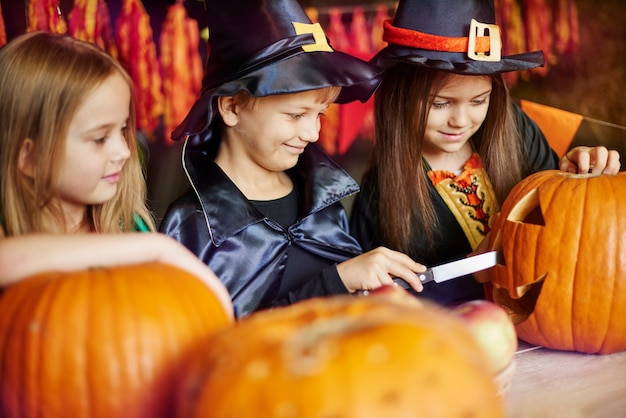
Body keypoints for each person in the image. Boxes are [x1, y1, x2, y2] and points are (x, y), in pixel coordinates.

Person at [159, 0, 425, 318]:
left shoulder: (324, 205)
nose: (312, 133)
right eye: (296, 114)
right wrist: (335, 282)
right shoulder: (189, 229)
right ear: (231, 107)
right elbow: (208, 348)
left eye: (319, 114)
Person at [349, 0, 621, 307]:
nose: (461, 121)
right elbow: (379, 298)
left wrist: (573, 177)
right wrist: (471, 270)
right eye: (440, 104)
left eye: (478, 101)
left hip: (545, 311)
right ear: (400, 97)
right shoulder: (380, 192)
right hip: (453, 336)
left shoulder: (515, 129)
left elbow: (560, 219)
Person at [0, 31, 233, 315]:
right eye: (99, 138)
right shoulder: (145, 245)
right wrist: (157, 249)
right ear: (29, 158)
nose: (124, 151)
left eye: (124, 130)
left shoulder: (126, 223)